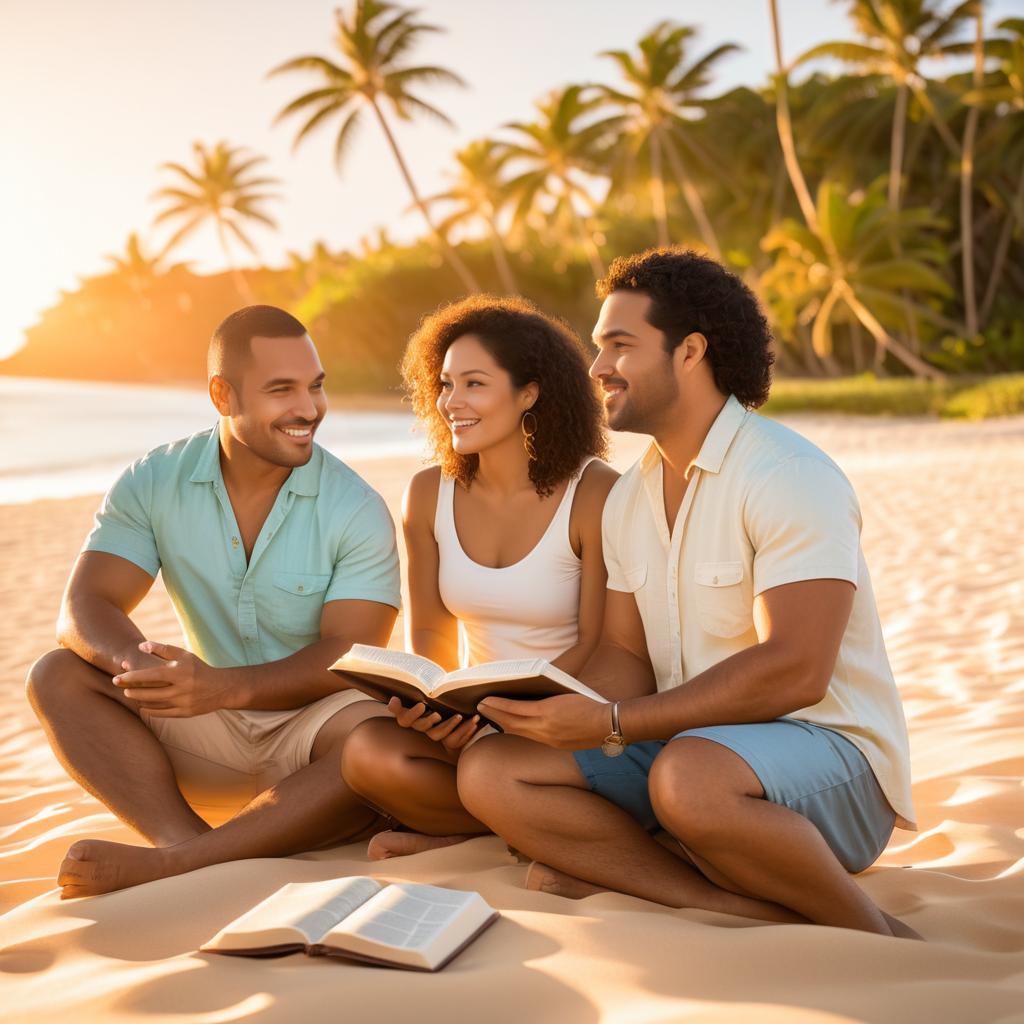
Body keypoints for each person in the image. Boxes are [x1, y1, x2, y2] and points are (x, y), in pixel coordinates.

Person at [457, 249, 919, 936]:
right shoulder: (630, 497)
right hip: (686, 747)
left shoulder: (787, 474)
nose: (595, 369)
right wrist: (528, 708)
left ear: (690, 352)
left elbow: (798, 667)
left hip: (831, 763)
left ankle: (875, 934)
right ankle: (726, 904)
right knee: (492, 771)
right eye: (597, 347)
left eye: (620, 345)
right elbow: (623, 655)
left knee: (687, 778)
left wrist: (614, 723)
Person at [26, 305, 401, 898]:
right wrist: (136, 664)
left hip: (315, 742)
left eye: (316, 386)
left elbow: (347, 653)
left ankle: (185, 864)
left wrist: (222, 686)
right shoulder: (154, 480)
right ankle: (183, 842)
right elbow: (85, 604)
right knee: (57, 674)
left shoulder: (356, 506)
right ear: (223, 395)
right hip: (203, 733)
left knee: (382, 738)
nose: (308, 409)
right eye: (282, 390)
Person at [340, 295, 619, 861]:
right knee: (366, 752)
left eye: (474, 384)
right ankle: (506, 826)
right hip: (473, 723)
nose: (451, 402)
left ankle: (495, 820)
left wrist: (509, 720)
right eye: (444, 384)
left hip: (568, 719)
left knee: (489, 768)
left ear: (529, 394)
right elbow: (432, 641)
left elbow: (597, 644)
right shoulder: (426, 494)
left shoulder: (594, 492)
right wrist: (435, 711)